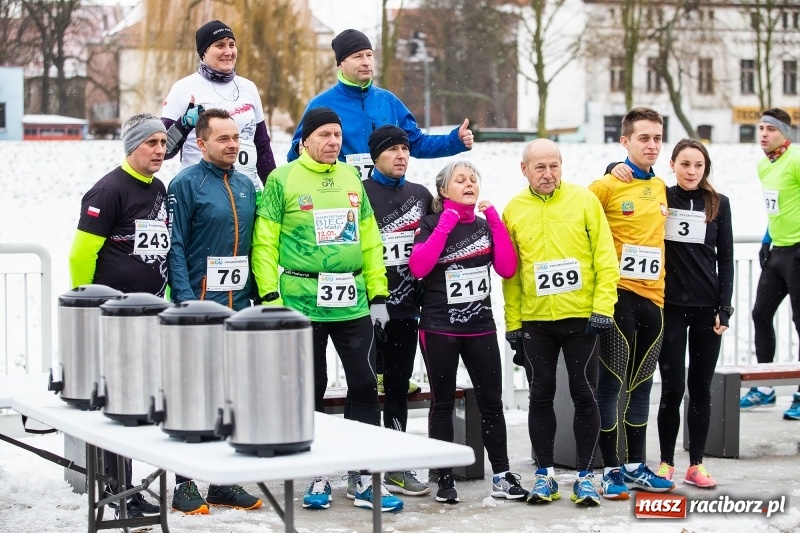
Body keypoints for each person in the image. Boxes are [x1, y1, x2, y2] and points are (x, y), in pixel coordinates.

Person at [251, 107, 404, 513]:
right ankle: (317, 471)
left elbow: (370, 237)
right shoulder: (282, 180)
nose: (333, 141)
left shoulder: (352, 177)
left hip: (351, 300)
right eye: (324, 135)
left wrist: (378, 293)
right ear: (305, 141)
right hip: (302, 299)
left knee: (364, 385)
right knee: (312, 386)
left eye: (337, 135)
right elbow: (264, 242)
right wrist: (270, 297)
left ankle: (365, 475)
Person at [608, 139, 734, 489]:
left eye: (698, 165)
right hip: (671, 306)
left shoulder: (719, 204)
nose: (692, 171)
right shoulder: (663, 194)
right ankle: (665, 462)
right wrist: (612, 169)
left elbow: (725, 258)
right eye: (685, 164)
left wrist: (725, 306)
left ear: (705, 168)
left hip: (708, 308)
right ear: (673, 166)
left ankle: (697, 463)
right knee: (673, 387)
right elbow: (630, 184)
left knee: (701, 387)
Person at [502, 139, 619, 506]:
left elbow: (606, 258)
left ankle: (585, 477)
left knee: (585, 394)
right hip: (537, 322)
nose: (549, 174)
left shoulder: (584, 200)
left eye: (554, 166)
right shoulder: (513, 210)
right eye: (540, 167)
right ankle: (545, 475)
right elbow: (511, 275)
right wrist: (513, 324)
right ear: (525, 170)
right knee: (540, 396)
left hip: (582, 318)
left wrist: (603, 308)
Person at [408, 160, 527, 504]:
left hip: (480, 327)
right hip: (439, 327)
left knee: (492, 404)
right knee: (442, 403)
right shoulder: (430, 223)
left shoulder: (485, 225)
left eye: (473, 178)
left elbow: (506, 268)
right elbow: (419, 267)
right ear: (444, 190)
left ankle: (502, 475)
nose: (469, 183)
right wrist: (445, 224)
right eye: (460, 180)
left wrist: (497, 223)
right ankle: (445, 477)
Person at [68, 113, 168, 519]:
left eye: (163, 143)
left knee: (137, 404)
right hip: (114, 318)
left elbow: (158, 248)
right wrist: (88, 310)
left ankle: (128, 487)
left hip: (150, 315)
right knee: (117, 405)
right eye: (152, 143)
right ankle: (116, 491)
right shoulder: (108, 190)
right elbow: (80, 255)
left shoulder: (157, 187)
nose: (160, 151)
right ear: (132, 147)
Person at [166, 108, 262, 514]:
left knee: (230, 396)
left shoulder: (244, 185)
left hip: (238, 307)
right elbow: (175, 246)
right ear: (201, 143)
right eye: (223, 138)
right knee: (193, 396)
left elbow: (253, 246)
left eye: (236, 137)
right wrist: (187, 301)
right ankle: (184, 482)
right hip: (198, 307)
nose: (232, 144)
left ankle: (223, 482)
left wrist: (257, 298)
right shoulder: (185, 183)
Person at [587, 106, 674, 500]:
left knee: (641, 386)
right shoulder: (604, 186)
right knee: (610, 386)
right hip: (619, 298)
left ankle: (637, 466)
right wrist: (612, 169)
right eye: (643, 138)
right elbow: (577, 219)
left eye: (657, 138)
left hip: (654, 302)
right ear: (625, 141)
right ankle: (610, 470)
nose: (652, 145)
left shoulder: (659, 188)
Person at [361, 125, 434, 497]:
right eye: (392, 150)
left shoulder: (421, 195)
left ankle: (396, 464)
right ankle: (363, 465)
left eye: (405, 149)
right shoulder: (360, 192)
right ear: (375, 157)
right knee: (364, 388)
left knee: (397, 389)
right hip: (367, 307)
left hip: (407, 308)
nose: (402, 156)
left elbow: (442, 231)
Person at [287, 29, 473, 169]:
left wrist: (454, 140)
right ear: (341, 64)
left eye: (369, 55)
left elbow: (415, 143)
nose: (366, 62)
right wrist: (300, 151)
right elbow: (295, 154)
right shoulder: (321, 104)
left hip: (384, 196)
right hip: (339, 195)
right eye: (358, 57)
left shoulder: (388, 101)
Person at [161, 20, 276, 194]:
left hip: (246, 190)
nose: (228, 52)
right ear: (203, 52)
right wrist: (184, 124)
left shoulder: (248, 87)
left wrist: (274, 189)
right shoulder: (183, 88)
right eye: (220, 45)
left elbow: (262, 146)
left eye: (232, 45)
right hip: (200, 192)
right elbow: (163, 150)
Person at [745, 108, 800, 420]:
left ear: (784, 134)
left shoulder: (796, 160)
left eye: (771, 129)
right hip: (777, 253)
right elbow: (775, 208)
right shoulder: (765, 166)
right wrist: (766, 240)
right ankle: (764, 387)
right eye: (761, 128)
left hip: (797, 252)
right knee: (760, 314)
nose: (763, 134)